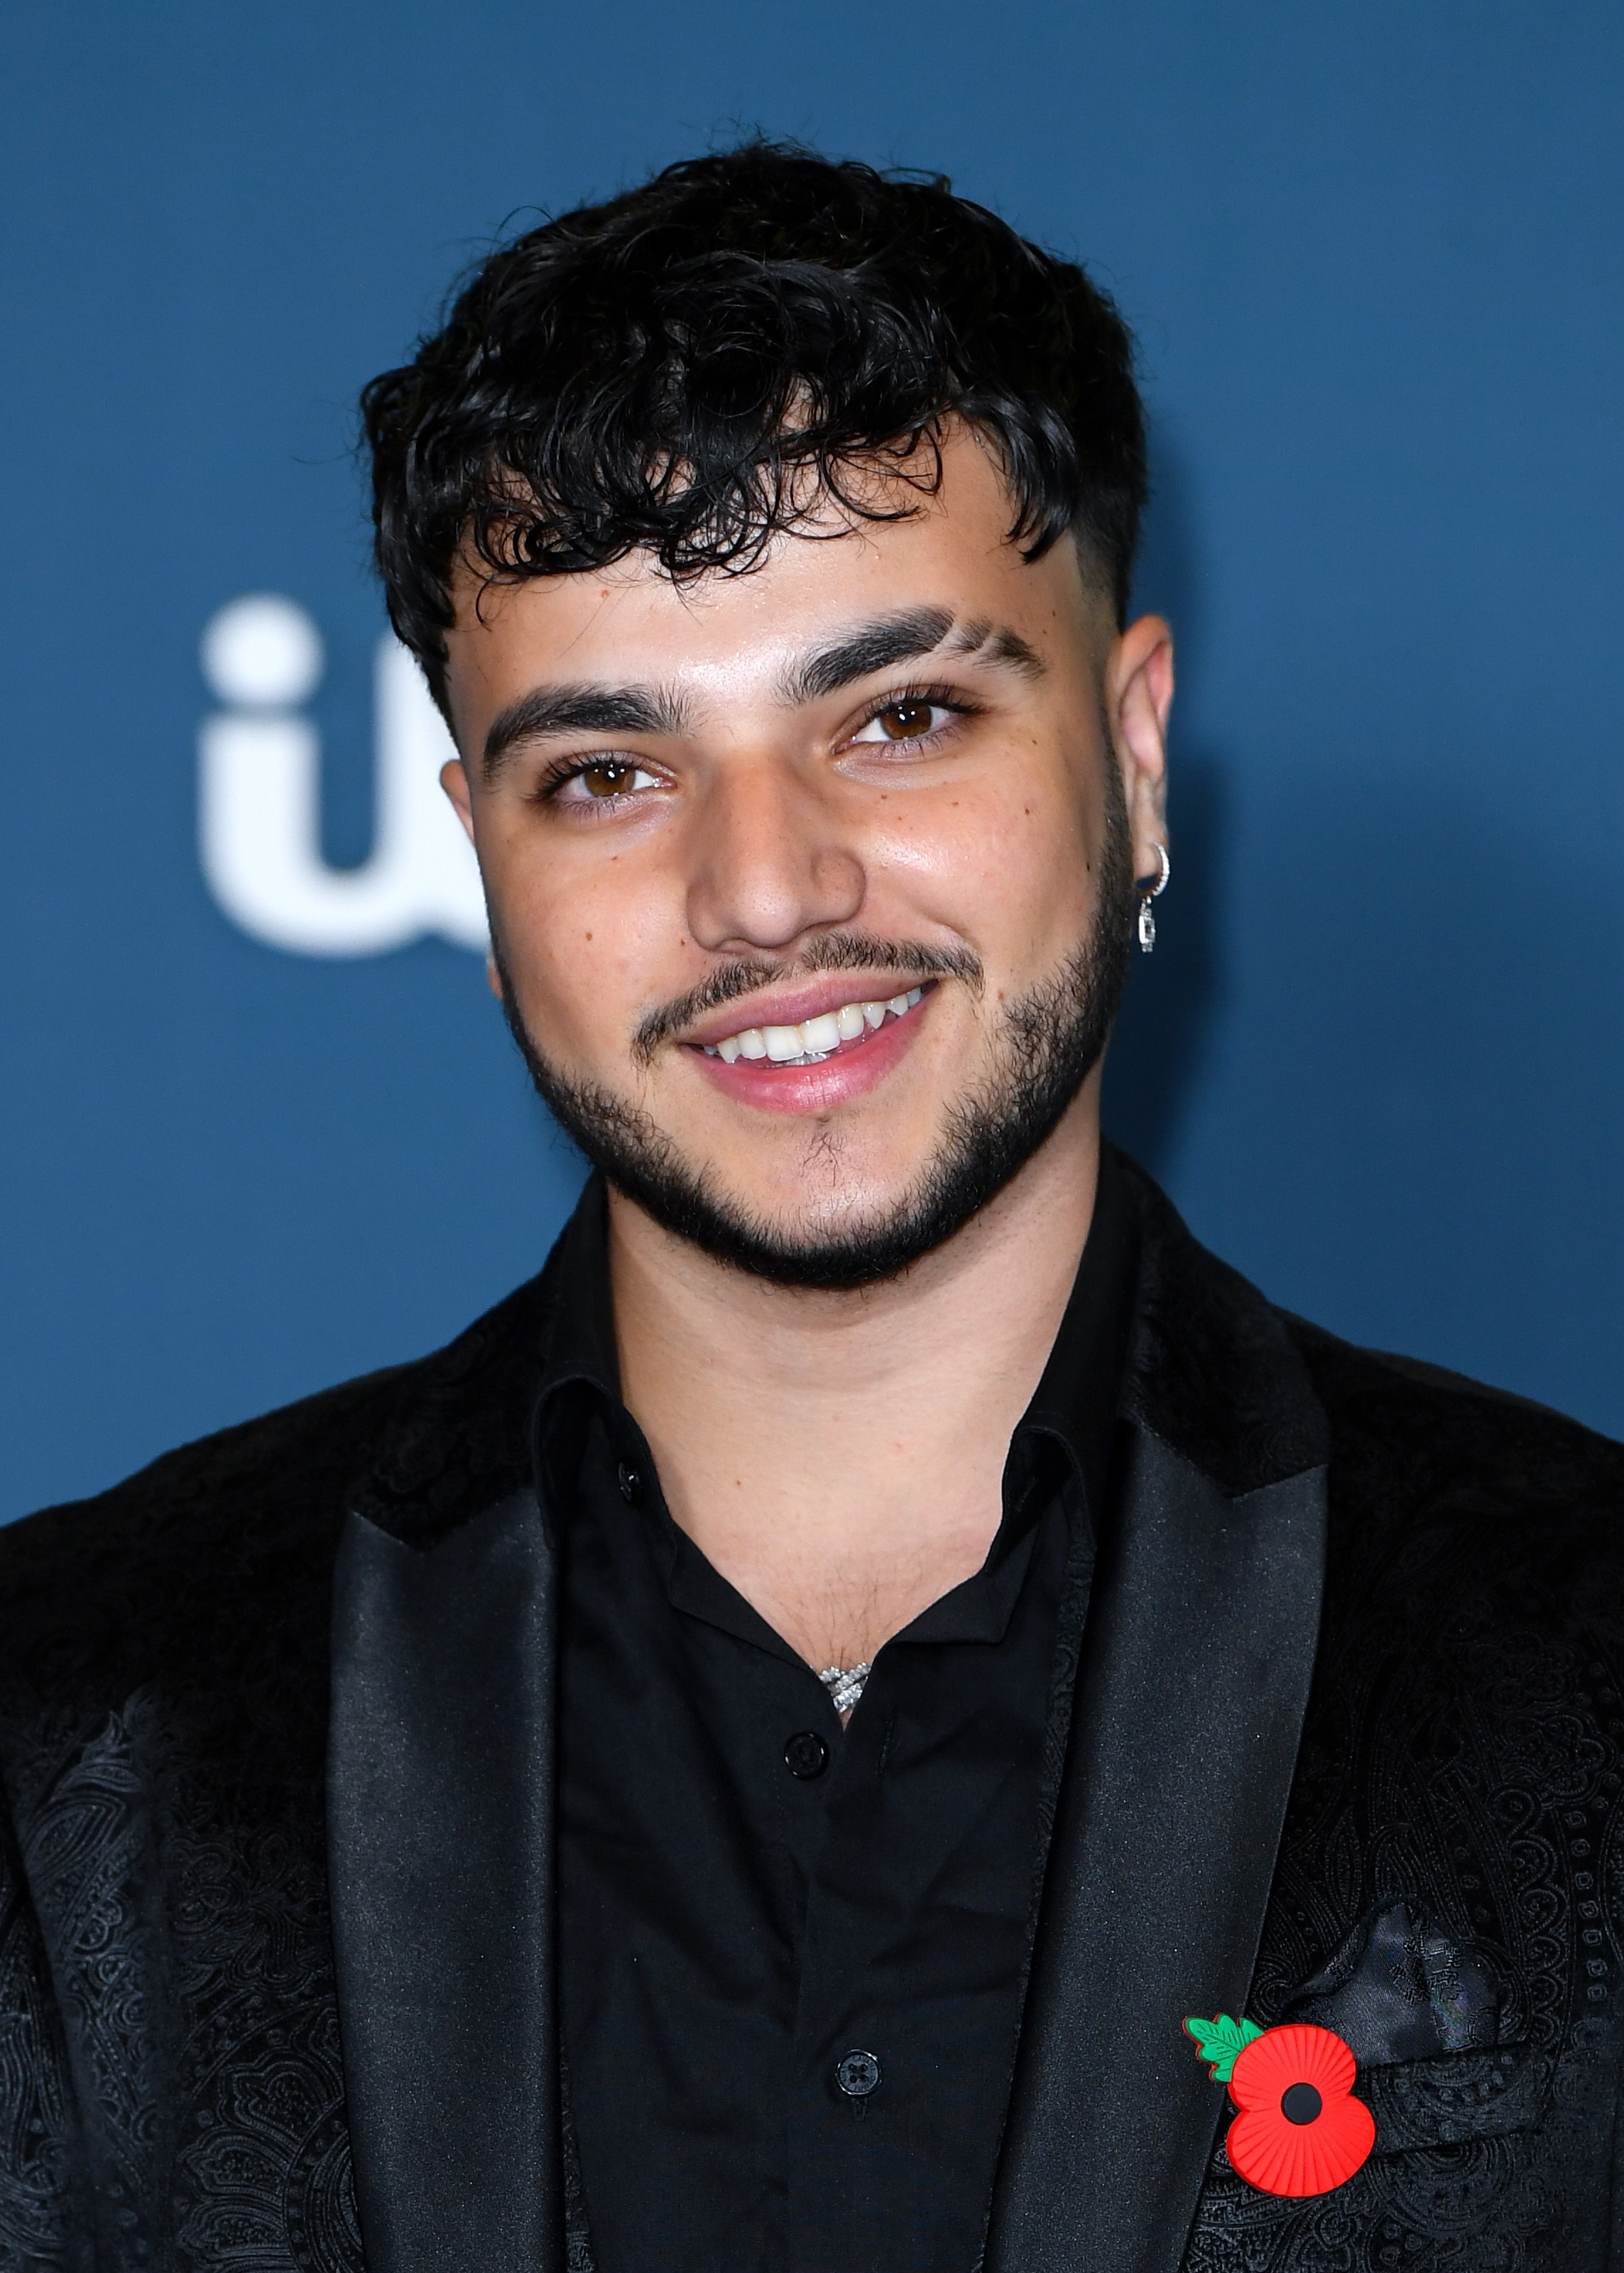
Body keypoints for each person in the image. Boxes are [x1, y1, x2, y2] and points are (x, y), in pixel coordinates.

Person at [2, 142, 1620, 2273]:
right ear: (479, 857)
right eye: (608, 772)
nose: (766, 887)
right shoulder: (76, 1719)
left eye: (902, 716)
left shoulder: (1583, 1658)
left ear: (1134, 754)